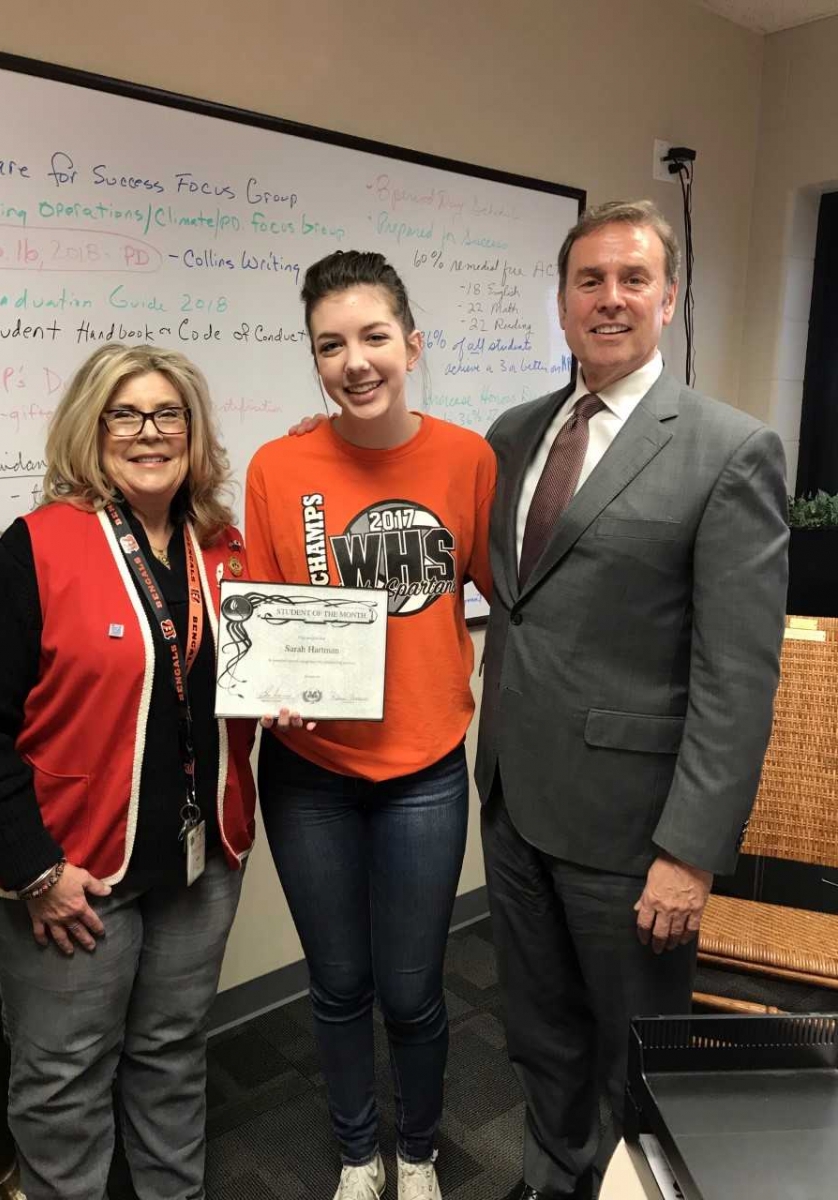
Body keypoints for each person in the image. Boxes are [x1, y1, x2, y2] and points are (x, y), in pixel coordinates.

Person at [475, 201, 789, 1200]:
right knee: (538, 1030)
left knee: (639, 1051)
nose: (609, 298)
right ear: (563, 301)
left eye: (632, 279)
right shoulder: (515, 435)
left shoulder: (728, 451)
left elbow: (737, 677)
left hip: (636, 834)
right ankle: (557, 1174)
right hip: (517, 801)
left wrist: (691, 853)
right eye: (588, 280)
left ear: (668, 297)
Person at [0, 344, 259, 1200]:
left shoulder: (222, 548)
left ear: (194, 433)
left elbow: (230, 684)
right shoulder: (38, 549)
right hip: (68, 871)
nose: (150, 433)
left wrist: (285, 696)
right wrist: (35, 870)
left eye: (169, 415)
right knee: (65, 1080)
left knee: (170, 1053)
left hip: (197, 863)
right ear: (93, 427)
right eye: (127, 414)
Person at [245, 249, 496, 1200]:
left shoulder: (468, 458)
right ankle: (359, 1153)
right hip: (309, 772)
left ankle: (421, 1150)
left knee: (413, 989)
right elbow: (265, 613)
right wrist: (268, 680)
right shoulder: (280, 465)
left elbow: (505, 594)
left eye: (375, 338)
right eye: (331, 344)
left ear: (411, 343)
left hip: (425, 770)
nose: (355, 361)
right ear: (313, 358)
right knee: (338, 984)